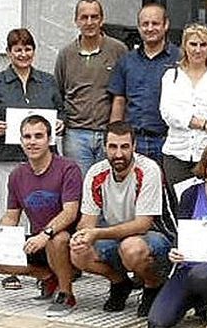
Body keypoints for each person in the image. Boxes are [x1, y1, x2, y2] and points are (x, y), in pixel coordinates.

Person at [0, 115, 82, 317]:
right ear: (21, 141)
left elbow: (70, 212)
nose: (32, 141)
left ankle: (66, 293)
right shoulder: (17, 175)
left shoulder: (68, 168)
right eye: (27, 136)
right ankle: (49, 277)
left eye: (39, 136)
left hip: (69, 244)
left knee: (57, 239)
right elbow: (11, 216)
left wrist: (45, 234)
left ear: (49, 139)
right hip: (38, 241)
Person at [69, 121, 176, 317]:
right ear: (104, 147)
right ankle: (120, 283)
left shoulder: (149, 169)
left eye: (125, 146)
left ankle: (153, 286)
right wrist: (81, 237)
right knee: (78, 253)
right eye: (113, 147)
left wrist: (96, 233)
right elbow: (87, 222)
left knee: (132, 248)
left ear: (134, 147)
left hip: (156, 238)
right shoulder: (95, 173)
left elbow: (143, 224)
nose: (119, 154)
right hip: (117, 236)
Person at [0, 28, 65, 291]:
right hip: (7, 156)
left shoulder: (48, 80)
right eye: (17, 49)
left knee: (42, 208)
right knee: (9, 211)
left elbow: (60, 111)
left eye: (28, 48)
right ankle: (10, 268)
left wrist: (60, 124)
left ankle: (50, 265)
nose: (23, 54)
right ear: (8, 53)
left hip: (44, 160)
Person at [147, 139, 207, 328]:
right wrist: (174, 250)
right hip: (186, 268)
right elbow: (181, 234)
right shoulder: (189, 194)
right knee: (157, 322)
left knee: (202, 276)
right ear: (205, 163)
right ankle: (192, 300)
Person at [55, 0, 128, 175]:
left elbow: (125, 92)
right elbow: (58, 92)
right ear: (76, 21)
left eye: (94, 17)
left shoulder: (118, 50)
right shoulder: (66, 54)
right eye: (84, 17)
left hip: (108, 133)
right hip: (75, 135)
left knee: (108, 186)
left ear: (102, 19)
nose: (89, 22)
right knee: (79, 187)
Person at [159, 23, 207, 186]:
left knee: (206, 208)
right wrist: (205, 124)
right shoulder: (171, 76)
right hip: (176, 155)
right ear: (185, 46)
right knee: (180, 208)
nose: (198, 50)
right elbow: (168, 114)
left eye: (203, 45)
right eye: (193, 44)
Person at [109, 3, 179, 163]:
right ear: (139, 27)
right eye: (145, 24)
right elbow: (119, 101)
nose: (150, 28)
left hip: (168, 140)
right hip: (134, 141)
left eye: (155, 23)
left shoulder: (179, 59)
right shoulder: (127, 60)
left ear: (166, 25)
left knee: (166, 187)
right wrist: (114, 137)